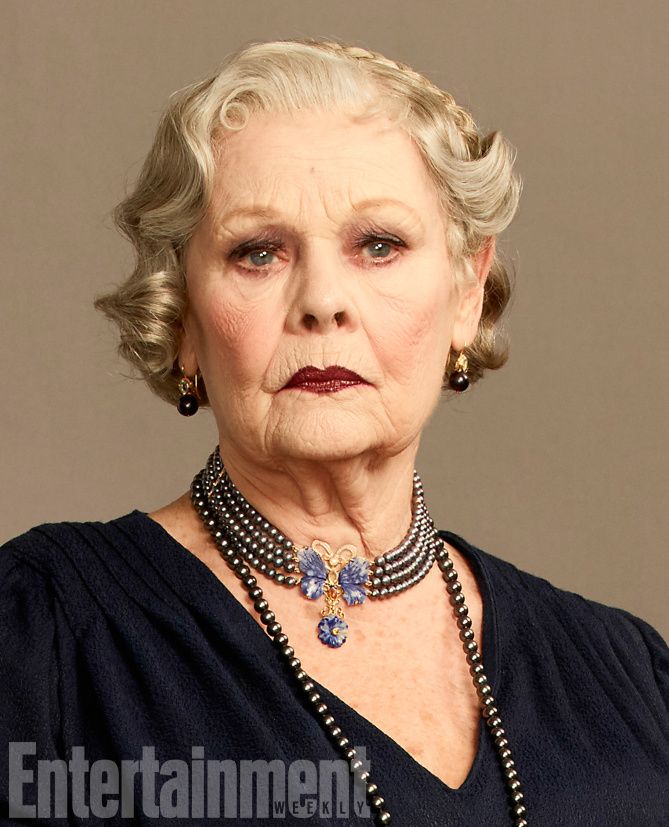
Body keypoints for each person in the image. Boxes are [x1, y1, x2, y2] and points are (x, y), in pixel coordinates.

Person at [1, 38, 667, 827]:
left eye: (378, 245)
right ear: (180, 318)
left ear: (466, 290)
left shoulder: (630, 676)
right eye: (258, 253)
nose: (322, 300)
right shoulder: (46, 639)